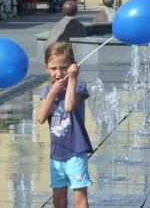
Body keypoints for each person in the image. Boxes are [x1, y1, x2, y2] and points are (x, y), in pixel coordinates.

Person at [36, 41, 93, 208]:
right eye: (54, 69)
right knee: (58, 198)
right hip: (57, 153)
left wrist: (73, 78)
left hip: (76, 151)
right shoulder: (47, 92)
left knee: (79, 197)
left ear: (72, 66)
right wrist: (53, 92)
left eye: (64, 67)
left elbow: (68, 106)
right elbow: (40, 118)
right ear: (46, 68)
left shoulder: (79, 86)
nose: (59, 73)